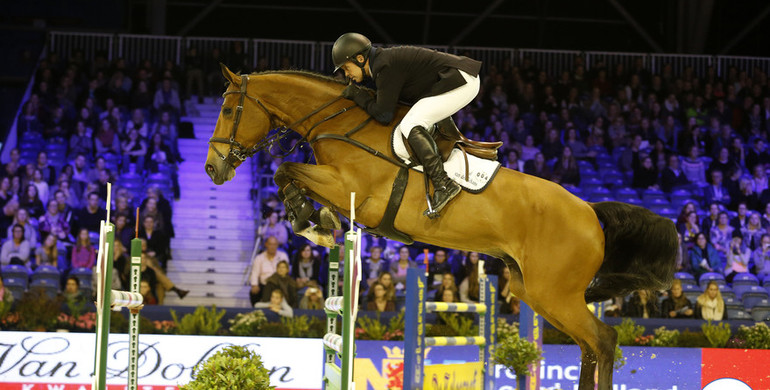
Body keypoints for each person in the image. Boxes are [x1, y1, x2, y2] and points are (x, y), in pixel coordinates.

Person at [332, 32, 483, 217]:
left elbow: (384, 115)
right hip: (456, 78)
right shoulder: (382, 63)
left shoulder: (384, 66)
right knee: (415, 119)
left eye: (346, 68)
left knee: (411, 124)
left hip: (460, 79)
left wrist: (358, 95)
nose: (347, 75)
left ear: (361, 58)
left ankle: (444, 184)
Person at [248, 236, 289, 305]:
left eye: (274, 244)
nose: (272, 247)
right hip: (264, 285)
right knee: (254, 292)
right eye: (270, 244)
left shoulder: (283, 256)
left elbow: (286, 271)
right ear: (266, 244)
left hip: (279, 284)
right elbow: (255, 273)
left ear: (277, 245)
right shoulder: (259, 258)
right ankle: (258, 311)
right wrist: (254, 285)